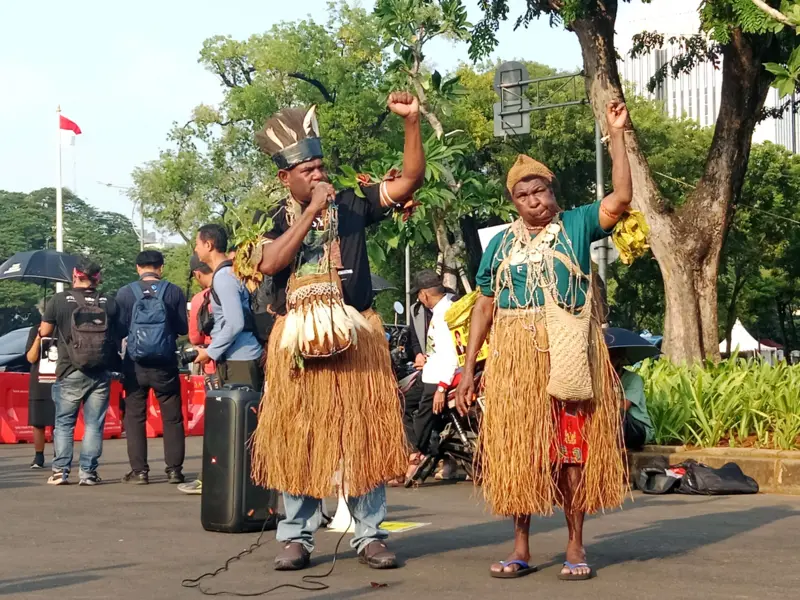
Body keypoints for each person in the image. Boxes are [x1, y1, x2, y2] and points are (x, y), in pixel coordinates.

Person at [456, 101, 633, 581]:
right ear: (513, 202)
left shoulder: (576, 225)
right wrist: (470, 368)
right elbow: (484, 306)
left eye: (540, 190)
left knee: (572, 450)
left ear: (553, 192)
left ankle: (575, 546)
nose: (534, 200)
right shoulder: (499, 245)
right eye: (523, 195)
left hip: (568, 354)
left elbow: (620, 197)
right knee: (521, 452)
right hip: (513, 358)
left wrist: (616, 134)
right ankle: (521, 547)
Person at [248, 91, 424, 571]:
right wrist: (309, 214)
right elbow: (271, 263)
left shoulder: (352, 204)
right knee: (299, 435)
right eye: (308, 171)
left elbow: (409, 181)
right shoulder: (273, 220)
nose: (320, 175)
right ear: (286, 177)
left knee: (363, 432)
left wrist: (410, 123)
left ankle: (369, 534)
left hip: (356, 336)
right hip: (298, 343)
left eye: (321, 167)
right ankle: (298, 537)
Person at [39, 257, 118, 486]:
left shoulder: (59, 300)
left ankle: (60, 472)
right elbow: (118, 333)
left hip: (69, 368)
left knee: (64, 422)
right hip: (101, 371)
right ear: (98, 278)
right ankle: (88, 473)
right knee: (94, 424)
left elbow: (45, 332)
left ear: (74, 275)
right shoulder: (108, 302)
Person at [115, 250, 188, 485]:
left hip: (135, 365)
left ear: (138, 268)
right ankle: (174, 470)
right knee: (172, 418)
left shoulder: (126, 293)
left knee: (135, 416)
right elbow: (182, 328)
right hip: (165, 364)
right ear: (161, 268)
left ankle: (140, 471)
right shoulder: (174, 291)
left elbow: (119, 330)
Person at [193, 224, 264, 390]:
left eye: (197, 244)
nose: (196, 249)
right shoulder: (230, 272)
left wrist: (210, 352)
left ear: (208, 245)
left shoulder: (223, 278)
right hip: (238, 357)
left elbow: (235, 323)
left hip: (240, 360)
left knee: (242, 414)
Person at [407, 269, 458, 481]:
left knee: (421, 418)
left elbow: (452, 353)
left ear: (423, 295)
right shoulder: (443, 307)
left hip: (440, 376)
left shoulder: (446, 312)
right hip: (430, 371)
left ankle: (417, 455)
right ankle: (422, 450)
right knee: (403, 402)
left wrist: (441, 388)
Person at [177, 253, 219, 497]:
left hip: (213, 368)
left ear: (197, 274)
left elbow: (195, 339)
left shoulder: (201, 298)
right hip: (244, 364)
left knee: (216, 426)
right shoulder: (240, 287)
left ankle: (209, 478)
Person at [25, 301, 55, 469]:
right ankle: (38, 456)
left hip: (60, 378)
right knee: (38, 421)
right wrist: (39, 336)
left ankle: (61, 455)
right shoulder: (34, 330)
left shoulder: (64, 330)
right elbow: (30, 357)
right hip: (39, 379)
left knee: (60, 421)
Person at [609, 350, 654, 451]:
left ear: (620, 361)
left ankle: (615, 451)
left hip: (636, 428)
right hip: (614, 426)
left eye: (613, 358)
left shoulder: (634, 379)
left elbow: (624, 406)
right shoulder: (602, 381)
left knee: (618, 413)